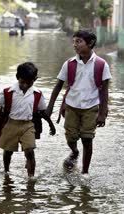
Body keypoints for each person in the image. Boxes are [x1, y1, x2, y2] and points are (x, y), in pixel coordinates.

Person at [46, 29, 112, 174]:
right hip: (71, 106)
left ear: (90, 43)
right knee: (70, 137)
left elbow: (104, 91)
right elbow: (58, 86)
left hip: (91, 107)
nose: (75, 45)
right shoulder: (69, 64)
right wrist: (50, 107)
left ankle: (85, 172)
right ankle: (74, 151)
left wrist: (102, 113)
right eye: (74, 42)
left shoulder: (101, 65)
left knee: (87, 139)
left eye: (79, 41)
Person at [0, 62, 55, 178]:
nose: (25, 85)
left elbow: (42, 112)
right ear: (17, 78)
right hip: (11, 124)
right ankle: (6, 172)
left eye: (29, 82)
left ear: (35, 79)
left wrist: (51, 125)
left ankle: (31, 178)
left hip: (28, 125)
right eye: (22, 82)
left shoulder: (37, 94)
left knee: (30, 151)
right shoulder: (7, 92)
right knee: (8, 151)